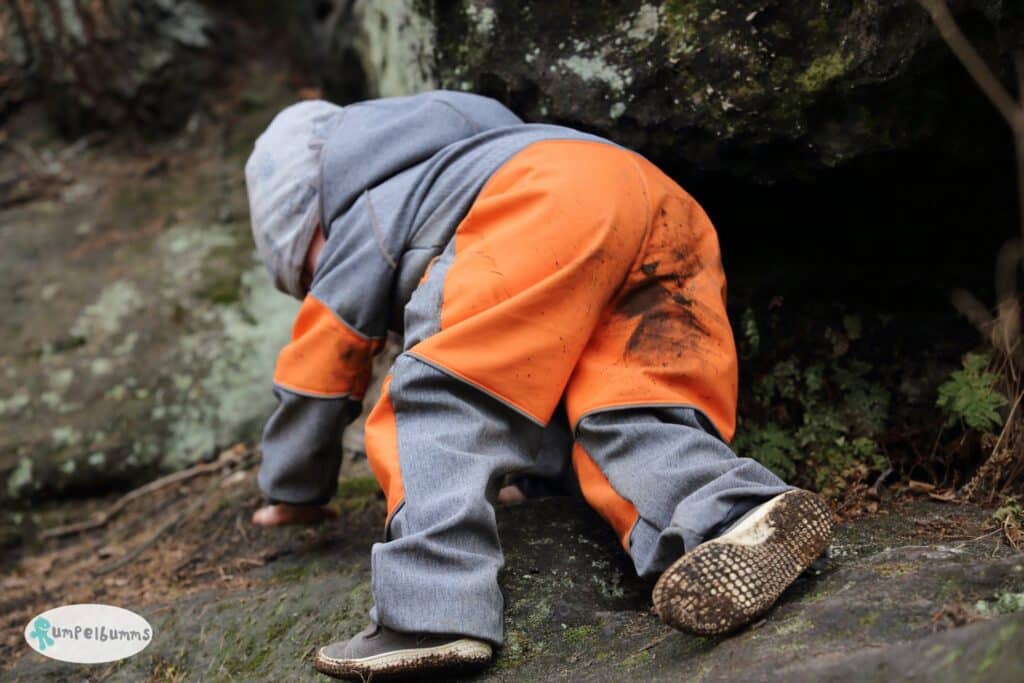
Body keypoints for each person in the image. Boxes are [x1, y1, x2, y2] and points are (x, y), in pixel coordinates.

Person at [244, 91, 834, 680]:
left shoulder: (361, 213)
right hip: (661, 204)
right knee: (630, 407)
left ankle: (431, 608)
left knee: (437, 392)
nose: (311, 283)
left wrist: (293, 489)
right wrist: (533, 479)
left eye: (302, 269)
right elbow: (529, 373)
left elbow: (316, 372)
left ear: (311, 218)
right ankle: (733, 515)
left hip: (544, 199)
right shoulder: (465, 157)